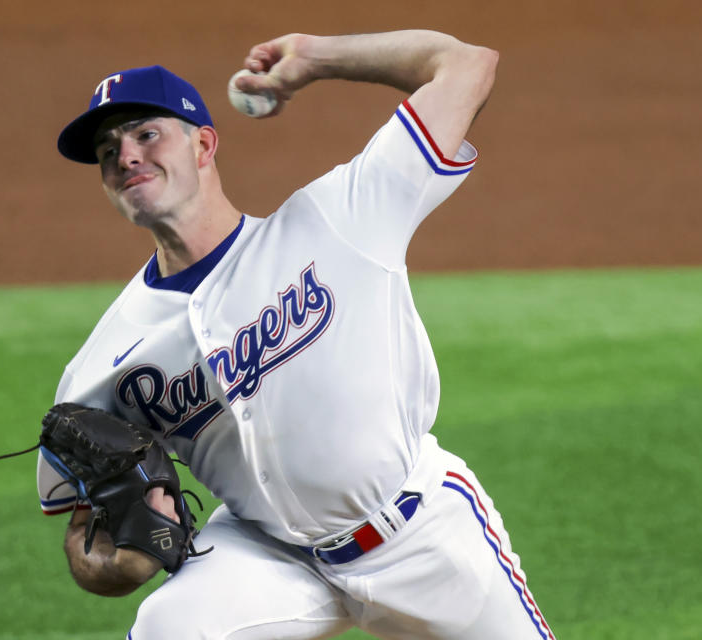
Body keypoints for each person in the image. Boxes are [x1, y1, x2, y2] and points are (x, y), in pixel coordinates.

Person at [39, 29, 556, 639]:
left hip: (424, 535)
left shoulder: (340, 218)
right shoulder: (102, 364)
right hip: (270, 556)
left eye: (147, 135)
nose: (126, 156)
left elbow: (466, 66)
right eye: (108, 151)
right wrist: (116, 562)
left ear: (204, 144)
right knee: (167, 626)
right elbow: (83, 537)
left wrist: (318, 58)